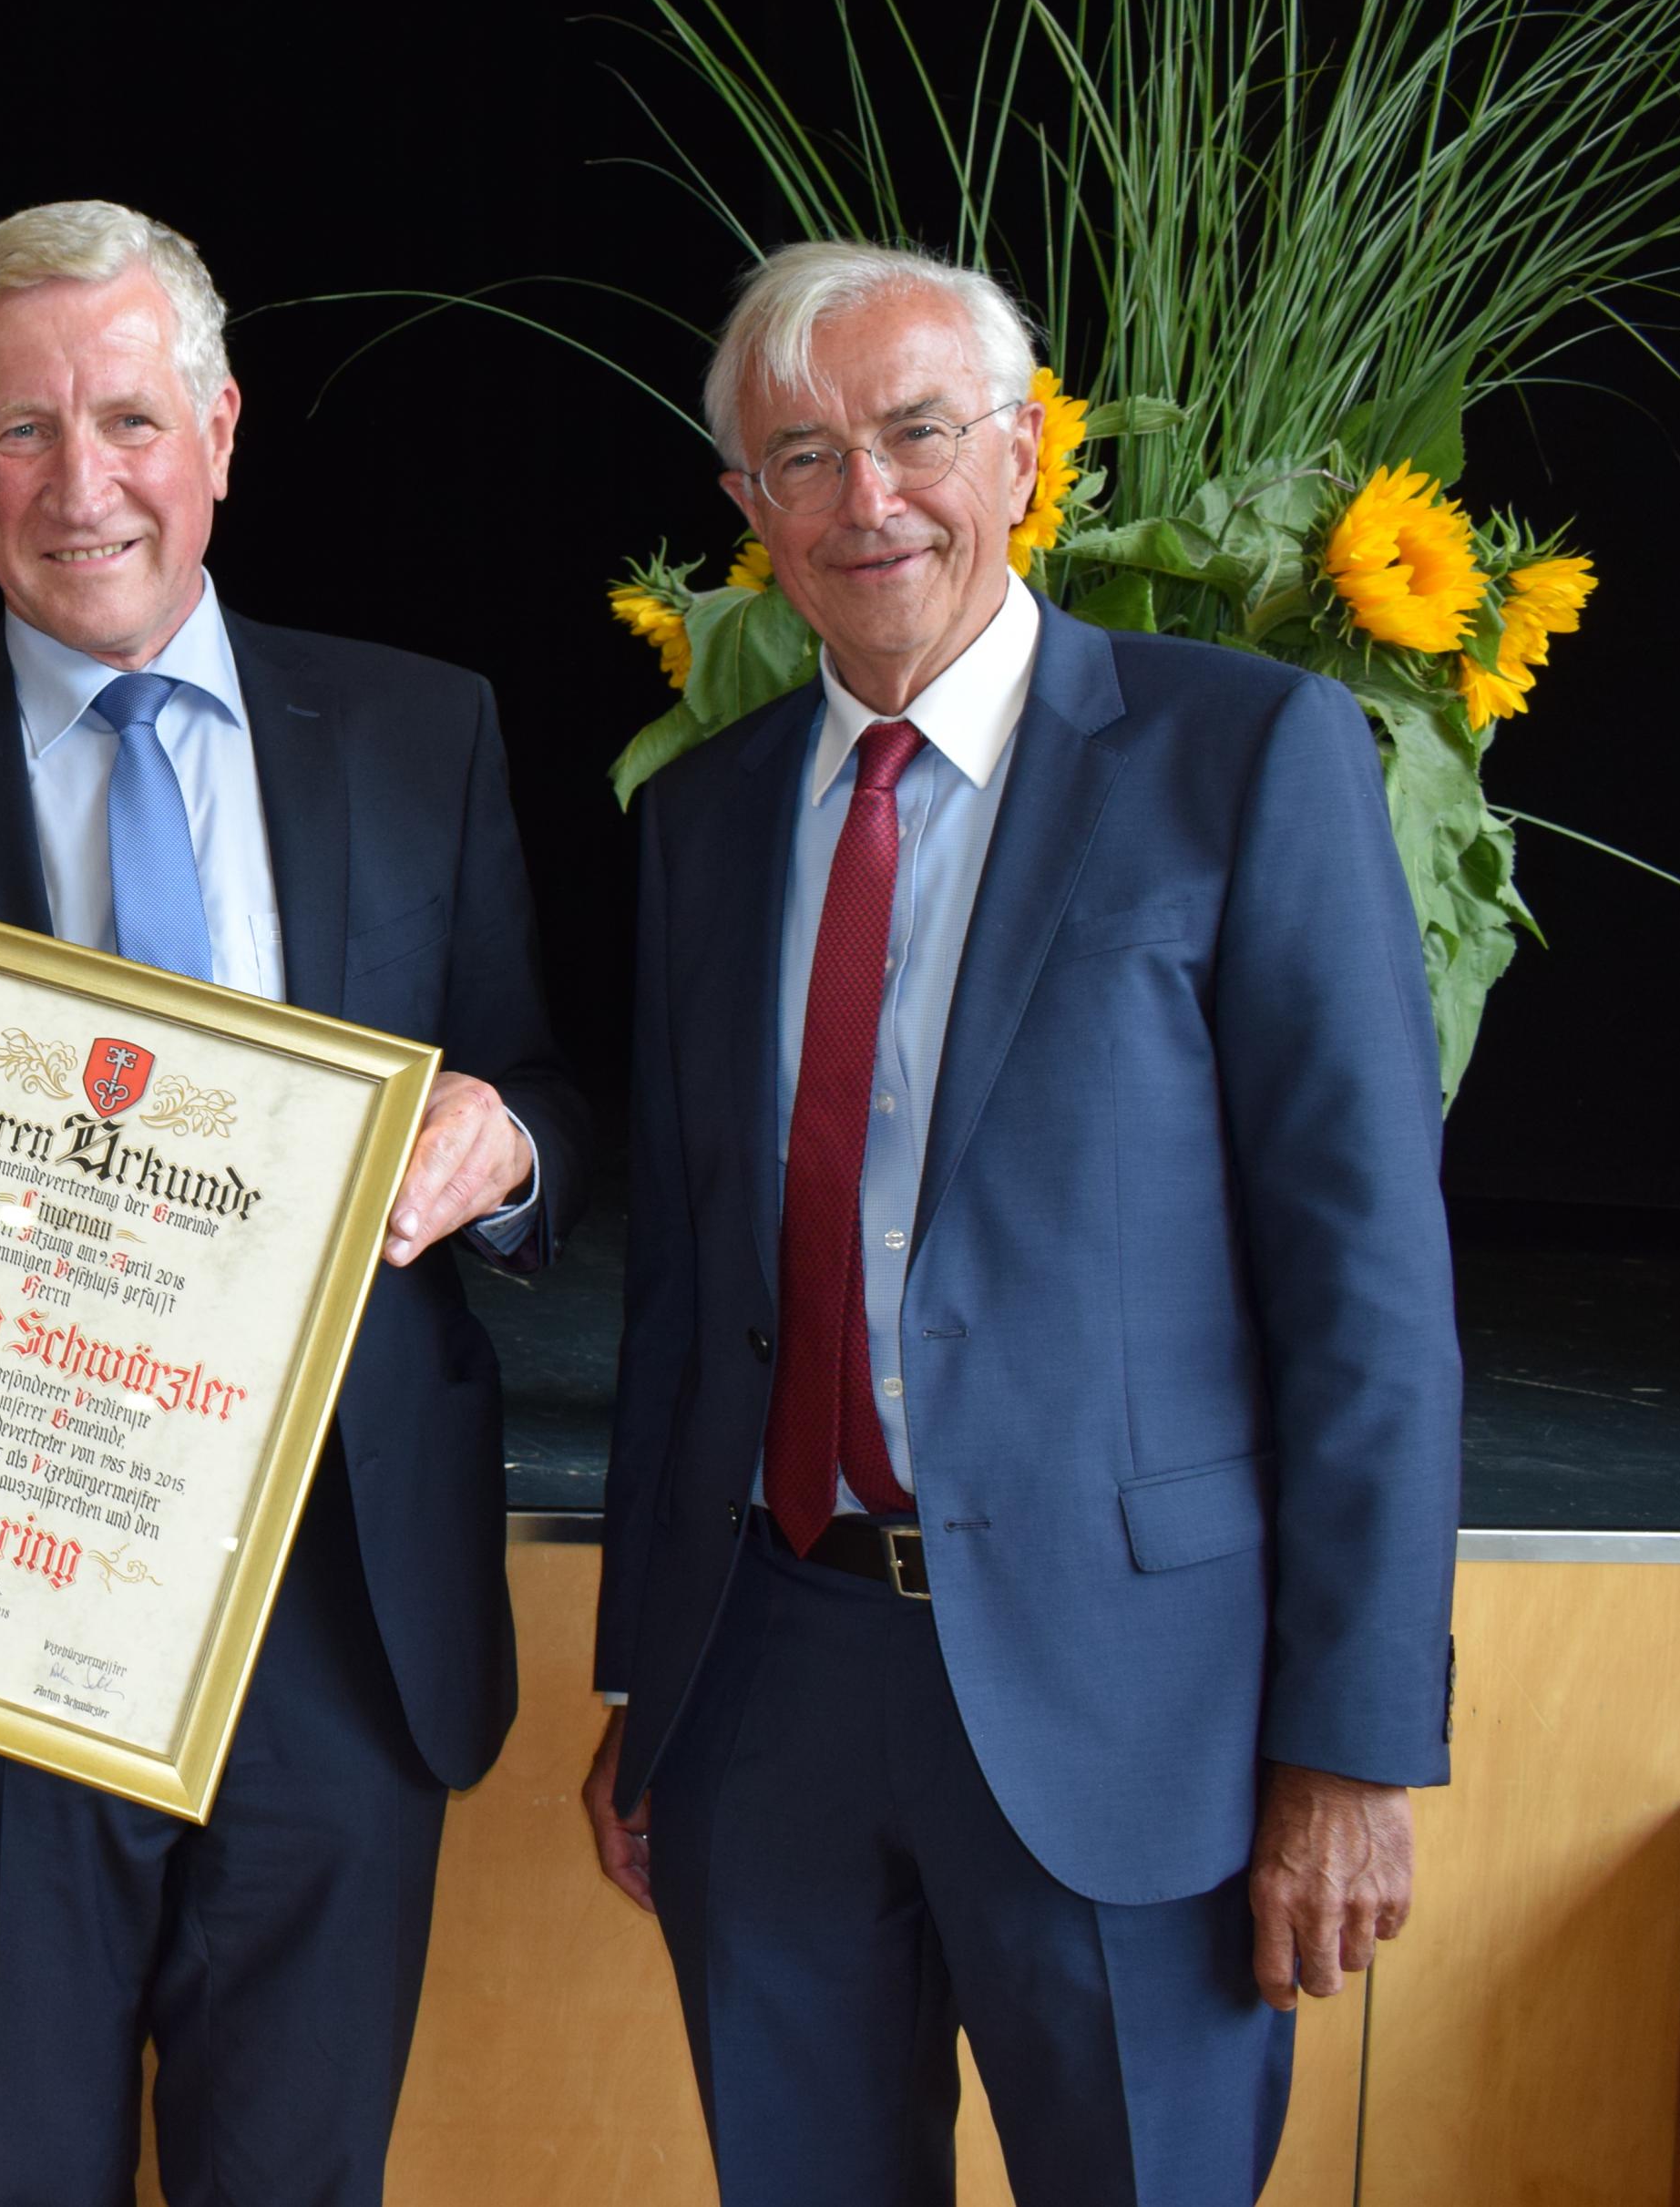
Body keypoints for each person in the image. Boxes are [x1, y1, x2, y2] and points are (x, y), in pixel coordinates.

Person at [581, 239, 1462, 2202]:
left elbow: (1368, 1298)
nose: (867, 498)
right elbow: (691, 1295)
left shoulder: (1245, 757)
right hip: (770, 1680)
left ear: (1020, 453)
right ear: (744, 508)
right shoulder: (705, 821)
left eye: (915, 433)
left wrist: (1350, 1747)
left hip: (1139, 1712)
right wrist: (653, 1681)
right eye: (802, 457)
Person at [0, 200, 589, 2204]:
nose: (81, 484)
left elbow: (539, 1083)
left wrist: (509, 1144)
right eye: (22, 429)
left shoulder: (425, 729)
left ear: (218, 429)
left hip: (340, 1612)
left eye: (128, 418)